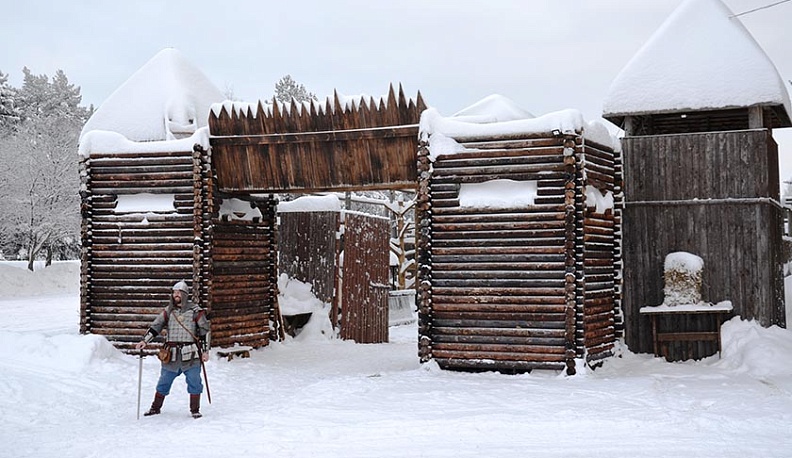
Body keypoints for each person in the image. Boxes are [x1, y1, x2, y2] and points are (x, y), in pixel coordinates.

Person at [136, 280, 210, 418]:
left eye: (179, 292)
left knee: (194, 381)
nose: (176, 295)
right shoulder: (168, 311)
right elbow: (156, 326)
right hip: (171, 354)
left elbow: (205, 331)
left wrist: (205, 351)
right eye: (174, 292)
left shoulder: (196, 311)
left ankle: (195, 410)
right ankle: (155, 407)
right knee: (164, 381)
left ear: (185, 294)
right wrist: (144, 341)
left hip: (191, 354)